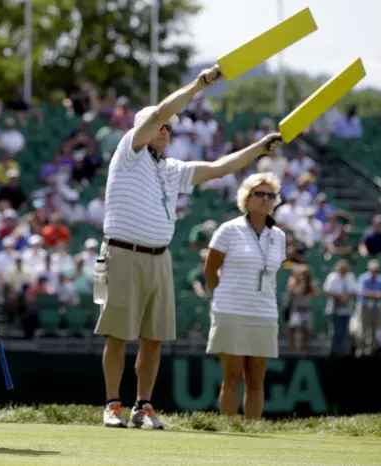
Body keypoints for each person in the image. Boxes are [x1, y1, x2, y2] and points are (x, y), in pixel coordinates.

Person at [95, 64, 284, 429]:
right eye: (160, 125)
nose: (166, 129)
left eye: (169, 127)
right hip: (122, 252)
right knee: (117, 334)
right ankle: (112, 404)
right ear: (144, 128)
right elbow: (162, 111)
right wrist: (199, 84)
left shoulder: (171, 169)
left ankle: (143, 406)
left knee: (154, 338)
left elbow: (218, 168)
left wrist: (260, 148)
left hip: (158, 257)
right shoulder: (129, 152)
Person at [203, 172, 287, 420]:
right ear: (247, 199)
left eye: (270, 195)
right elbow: (210, 270)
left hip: (264, 312)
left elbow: (272, 274)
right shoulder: (228, 229)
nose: (264, 199)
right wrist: (222, 296)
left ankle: (252, 430)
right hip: (230, 310)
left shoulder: (279, 236)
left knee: (256, 379)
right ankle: (230, 431)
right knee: (232, 375)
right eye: (258, 194)